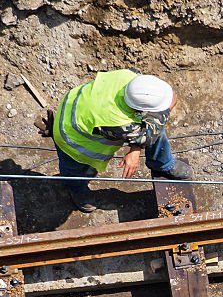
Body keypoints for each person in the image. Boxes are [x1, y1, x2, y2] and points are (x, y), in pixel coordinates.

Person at [52, 69, 192, 212]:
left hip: (76, 102)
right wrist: (166, 110)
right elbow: (147, 137)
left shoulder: (131, 77)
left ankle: (162, 164)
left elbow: (145, 133)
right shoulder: (116, 122)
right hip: (70, 135)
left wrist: (135, 150)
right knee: (74, 168)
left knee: (156, 127)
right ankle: (76, 189)